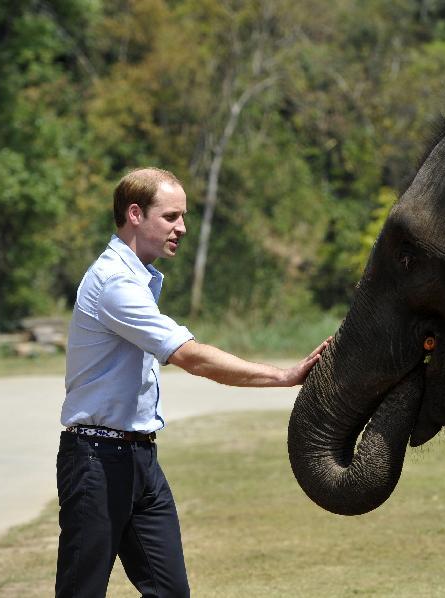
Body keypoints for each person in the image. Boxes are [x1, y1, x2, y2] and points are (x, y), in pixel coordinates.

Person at [56, 167, 330, 597]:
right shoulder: (114, 283)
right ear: (134, 214)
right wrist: (283, 375)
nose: (182, 227)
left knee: (171, 591)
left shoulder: (138, 280)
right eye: (170, 217)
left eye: (182, 217)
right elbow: (192, 358)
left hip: (139, 459)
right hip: (95, 461)